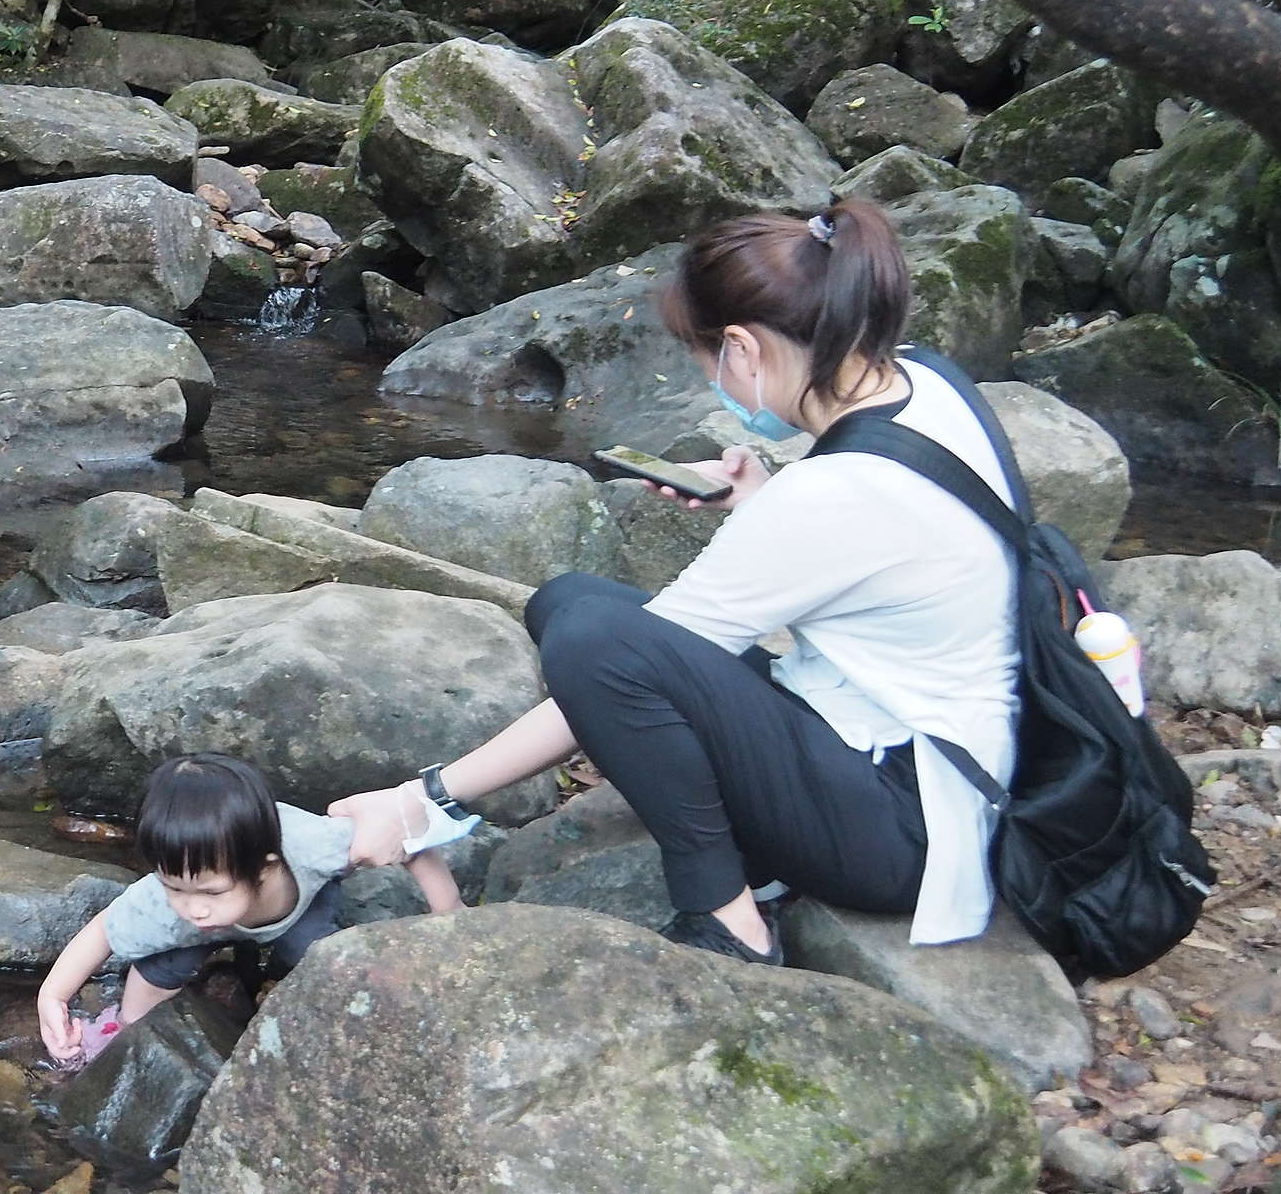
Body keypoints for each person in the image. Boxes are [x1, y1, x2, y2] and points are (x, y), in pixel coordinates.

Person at [332, 199, 1021, 965]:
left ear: (742, 349)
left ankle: (732, 918)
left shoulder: (831, 496)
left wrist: (423, 802)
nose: (713, 384)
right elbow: (879, 547)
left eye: (706, 366)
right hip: (924, 741)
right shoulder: (926, 381)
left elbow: (625, 661)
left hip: (908, 830)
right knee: (570, 601)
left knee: (595, 642)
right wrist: (756, 496)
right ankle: (752, 871)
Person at [37, 753, 463, 1064]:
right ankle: (129, 1025)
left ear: (265, 868)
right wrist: (53, 996)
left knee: (317, 954)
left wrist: (449, 910)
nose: (192, 908)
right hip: (209, 932)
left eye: (210, 893)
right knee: (159, 962)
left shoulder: (313, 845)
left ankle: (280, 971)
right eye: (174, 887)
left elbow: (407, 840)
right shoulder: (170, 903)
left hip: (302, 903)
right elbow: (103, 931)